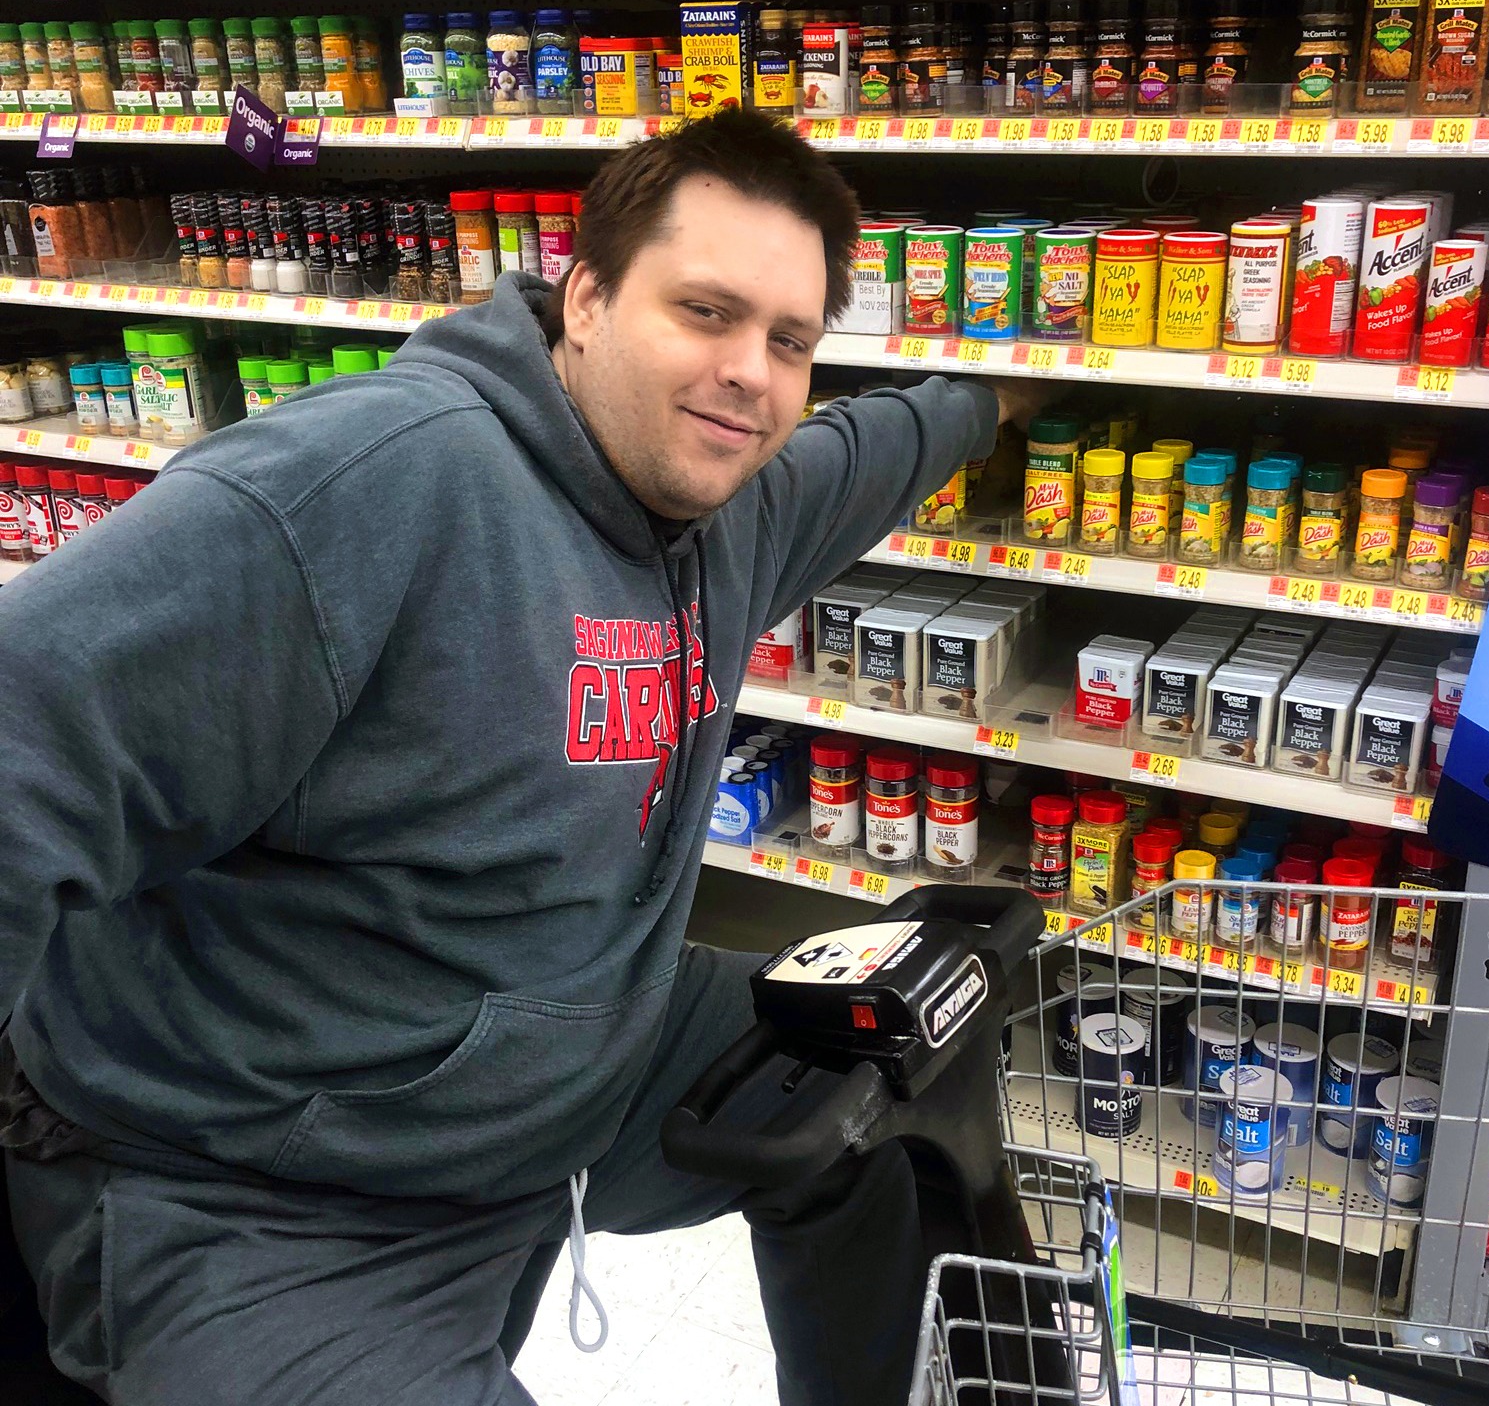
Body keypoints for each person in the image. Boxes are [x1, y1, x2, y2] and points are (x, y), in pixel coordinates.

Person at [0, 110, 1049, 1405]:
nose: (751, 375)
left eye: (790, 341)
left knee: (910, 1042)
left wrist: (997, 398)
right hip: (260, 1189)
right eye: (707, 312)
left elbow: (866, 454)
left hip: (575, 1073)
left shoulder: (721, 513)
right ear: (589, 298)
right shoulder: (368, 486)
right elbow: (19, 740)